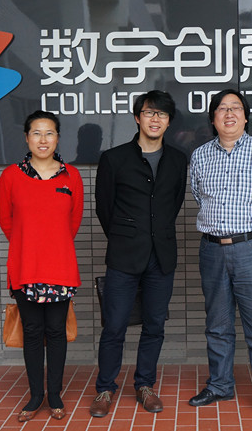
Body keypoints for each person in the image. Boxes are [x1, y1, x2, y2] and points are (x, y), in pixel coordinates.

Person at [188, 88, 252, 421]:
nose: (229, 113)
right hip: (212, 249)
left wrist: (251, 232)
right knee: (217, 325)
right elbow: (199, 196)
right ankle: (219, 385)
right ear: (213, 118)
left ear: (245, 117)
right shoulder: (200, 155)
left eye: (235, 108)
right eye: (222, 108)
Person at [89, 90, 188, 417]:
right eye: (149, 112)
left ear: (169, 121)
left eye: (162, 114)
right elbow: (105, 208)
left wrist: (154, 234)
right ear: (137, 117)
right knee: (114, 326)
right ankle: (105, 388)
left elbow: (172, 204)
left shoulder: (178, 160)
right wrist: (127, 237)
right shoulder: (114, 159)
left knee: (155, 325)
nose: (155, 119)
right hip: (124, 255)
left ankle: (145, 385)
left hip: (162, 256)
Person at [0, 111, 83, 422]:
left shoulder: (71, 176)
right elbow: (7, 222)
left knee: (56, 332)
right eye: (36, 133)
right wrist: (30, 245)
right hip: (25, 267)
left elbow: (73, 222)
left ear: (58, 138)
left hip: (60, 266)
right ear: (26, 137)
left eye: (49, 133)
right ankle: (35, 395)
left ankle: (55, 394)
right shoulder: (10, 176)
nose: (43, 139)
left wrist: (51, 245)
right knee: (32, 332)